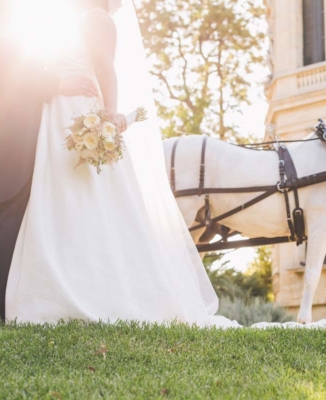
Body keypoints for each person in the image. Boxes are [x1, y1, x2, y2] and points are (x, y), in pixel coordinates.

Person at [4, 0, 236, 326]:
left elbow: (105, 68)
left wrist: (108, 117)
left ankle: (95, 290)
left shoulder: (97, 19)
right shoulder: (68, 21)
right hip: (56, 116)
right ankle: (58, 282)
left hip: (79, 112)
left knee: (88, 197)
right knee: (59, 198)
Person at [0, 0, 99, 321]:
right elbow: (11, 68)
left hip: (29, 134)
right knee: (9, 213)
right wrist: (58, 84)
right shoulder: (11, 21)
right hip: (13, 136)